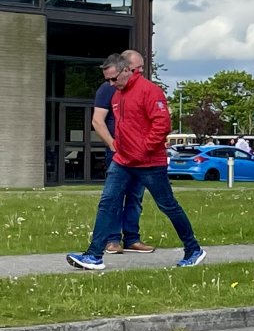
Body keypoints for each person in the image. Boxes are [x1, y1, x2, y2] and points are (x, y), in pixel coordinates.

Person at [66, 54, 206, 271]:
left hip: (149, 163)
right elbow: (123, 126)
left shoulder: (149, 91)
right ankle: (93, 255)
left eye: (114, 79)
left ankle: (193, 249)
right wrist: (118, 146)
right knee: (107, 203)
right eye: (107, 80)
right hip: (123, 161)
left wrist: (143, 149)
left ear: (126, 70)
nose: (111, 84)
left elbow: (162, 124)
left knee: (167, 205)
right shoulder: (116, 96)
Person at [90, 55, 149, 254]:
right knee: (114, 196)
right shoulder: (108, 89)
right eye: (137, 67)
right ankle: (112, 239)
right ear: (125, 67)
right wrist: (113, 145)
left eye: (141, 68)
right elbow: (98, 121)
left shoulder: (141, 89)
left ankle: (132, 237)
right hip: (119, 153)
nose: (139, 71)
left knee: (135, 195)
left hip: (139, 154)